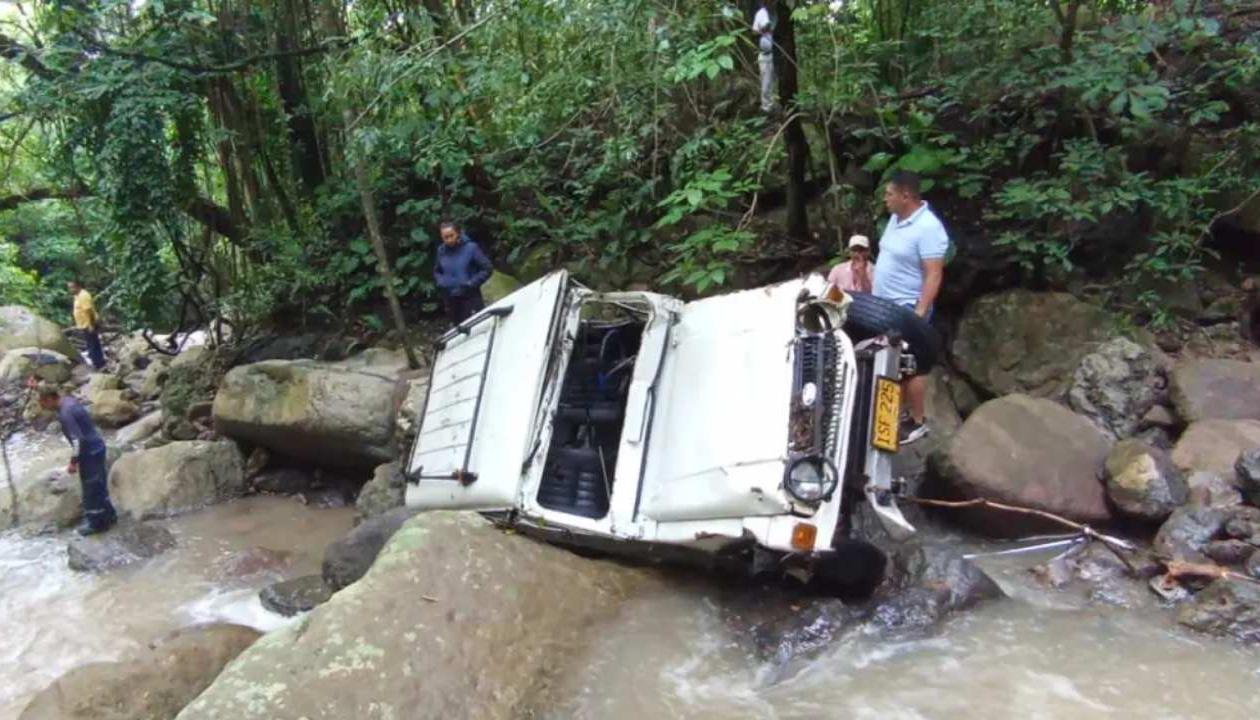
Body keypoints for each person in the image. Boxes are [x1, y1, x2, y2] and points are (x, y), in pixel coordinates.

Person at [873, 170, 948, 445]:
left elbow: (934, 273)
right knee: (889, 363)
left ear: (906, 195)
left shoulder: (928, 227)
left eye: (889, 194)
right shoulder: (895, 219)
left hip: (908, 306)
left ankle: (917, 421)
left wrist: (920, 311)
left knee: (912, 365)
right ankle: (895, 417)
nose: (885, 199)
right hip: (883, 305)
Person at [38, 384, 116, 535]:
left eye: (42, 402)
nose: (42, 406)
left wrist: (73, 462)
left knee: (91, 489)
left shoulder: (65, 413)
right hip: (97, 445)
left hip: (89, 453)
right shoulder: (69, 401)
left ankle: (96, 523)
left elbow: (77, 440)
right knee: (99, 484)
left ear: (49, 399)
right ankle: (109, 515)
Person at [434, 220, 493, 326]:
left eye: (451, 236)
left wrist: (471, 282)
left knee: (477, 327)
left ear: (458, 233)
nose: (449, 240)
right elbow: (437, 271)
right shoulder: (441, 251)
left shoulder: (471, 248)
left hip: (471, 298)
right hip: (452, 300)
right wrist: (441, 281)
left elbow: (487, 268)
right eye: (445, 237)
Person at [69, 281, 106, 370]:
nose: (70, 290)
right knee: (91, 343)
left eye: (72, 287)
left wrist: (91, 325)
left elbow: (89, 312)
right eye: (69, 287)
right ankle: (98, 362)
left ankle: (98, 364)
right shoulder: (77, 296)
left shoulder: (83, 295)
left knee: (93, 344)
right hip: (84, 324)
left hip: (89, 324)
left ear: (78, 286)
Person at [753, 1, 776, 114]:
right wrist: (764, 29)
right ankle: (766, 108)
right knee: (766, 83)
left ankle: (774, 105)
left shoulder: (777, 13)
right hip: (765, 54)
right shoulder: (761, 13)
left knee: (775, 82)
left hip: (777, 54)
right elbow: (754, 31)